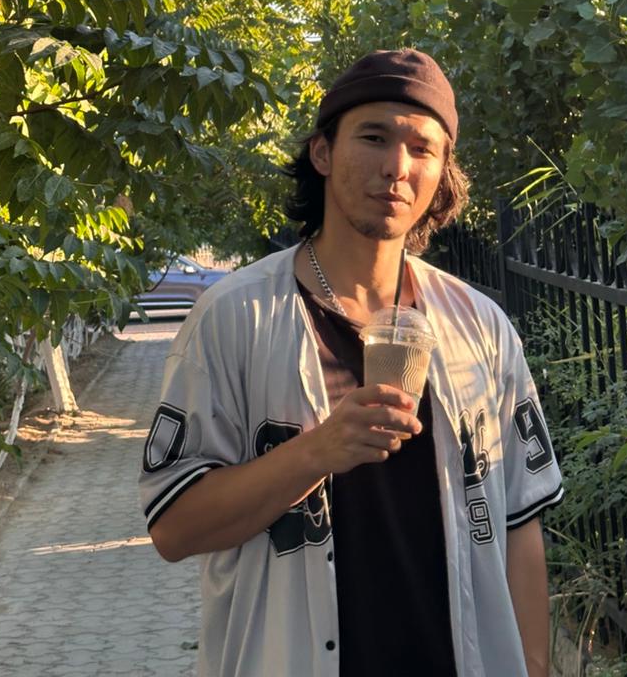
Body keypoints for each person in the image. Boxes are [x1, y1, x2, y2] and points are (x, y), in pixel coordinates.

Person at [140, 49, 564, 677]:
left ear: (442, 172)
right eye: (373, 137)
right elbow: (174, 528)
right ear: (322, 152)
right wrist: (317, 451)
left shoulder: (479, 326)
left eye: (422, 149)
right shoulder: (235, 318)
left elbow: (519, 524)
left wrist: (533, 666)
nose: (397, 167)